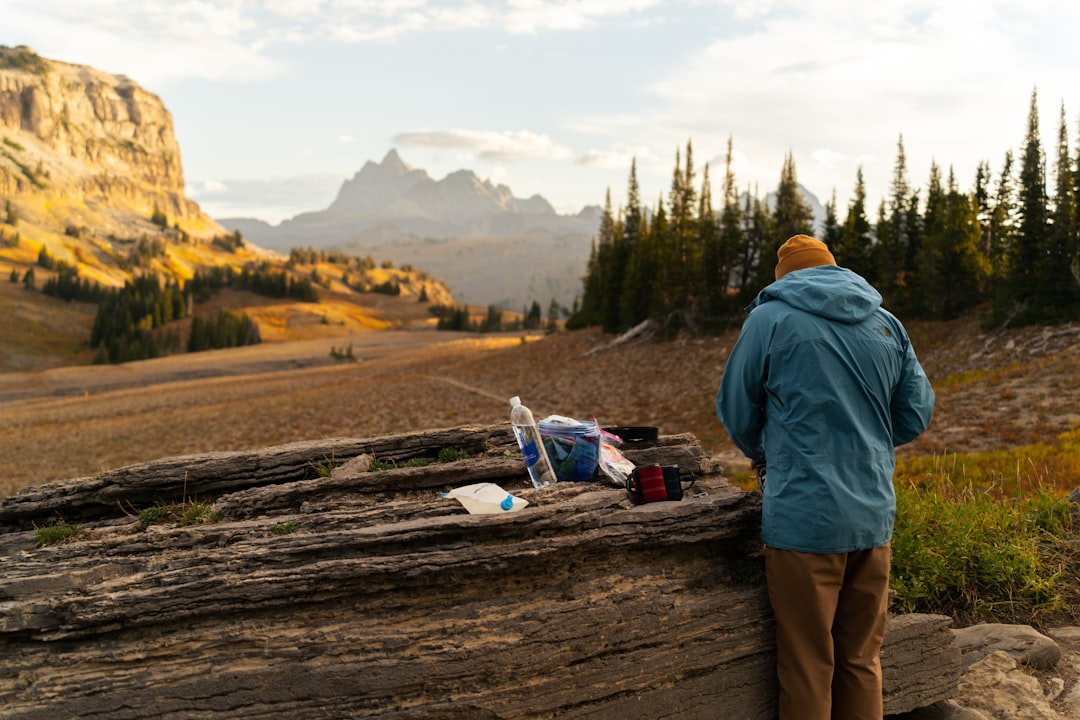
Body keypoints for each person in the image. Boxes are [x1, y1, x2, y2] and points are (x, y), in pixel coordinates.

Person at [715, 234, 935, 720]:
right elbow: (916, 413)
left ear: (785, 278)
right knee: (861, 660)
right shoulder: (886, 322)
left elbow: (734, 406)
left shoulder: (769, 318)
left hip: (803, 519)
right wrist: (866, 446)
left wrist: (768, 452)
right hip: (873, 517)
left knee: (809, 664)